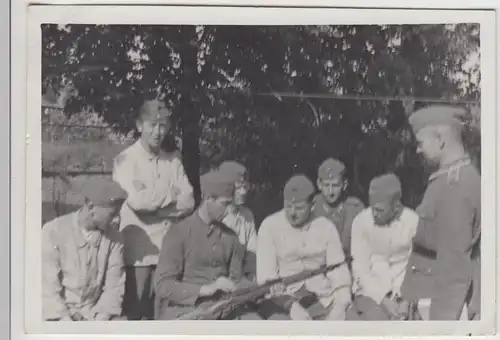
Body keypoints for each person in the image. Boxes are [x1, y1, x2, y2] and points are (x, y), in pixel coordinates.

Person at [112, 99, 195, 320]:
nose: (158, 132)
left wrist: (155, 209)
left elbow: (189, 201)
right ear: (139, 125)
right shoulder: (126, 160)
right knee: (137, 316)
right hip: (139, 253)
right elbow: (137, 202)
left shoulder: (173, 159)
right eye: (152, 125)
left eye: (163, 126)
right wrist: (172, 193)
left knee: (165, 316)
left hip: (168, 253)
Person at [400, 105, 481, 321]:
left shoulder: (455, 185)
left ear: (440, 140)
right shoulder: (447, 178)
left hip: (440, 307)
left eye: (421, 143)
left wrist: (440, 326)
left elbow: (453, 267)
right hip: (427, 296)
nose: (418, 150)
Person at [154, 168, 262, 320]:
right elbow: (163, 286)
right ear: (207, 198)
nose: (228, 211)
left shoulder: (230, 237)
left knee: (258, 326)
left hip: (224, 308)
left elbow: (236, 280)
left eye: (231, 205)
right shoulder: (179, 233)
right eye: (224, 204)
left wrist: (259, 288)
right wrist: (205, 289)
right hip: (186, 310)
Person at [256, 175, 352, 320]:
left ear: (312, 205)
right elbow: (266, 279)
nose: (292, 213)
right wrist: (290, 305)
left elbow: (339, 272)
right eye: (288, 206)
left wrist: (340, 305)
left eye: (299, 208)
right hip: (281, 300)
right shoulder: (270, 226)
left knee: (353, 323)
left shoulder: (325, 227)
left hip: (322, 297)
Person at [42, 177, 127, 321]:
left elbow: (114, 287)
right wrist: (66, 322)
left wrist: (100, 319)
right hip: (60, 314)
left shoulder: (115, 239)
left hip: (94, 313)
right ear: (91, 207)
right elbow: (47, 288)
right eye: (112, 214)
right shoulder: (53, 231)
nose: (117, 220)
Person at [346, 173, 419, 320]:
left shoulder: (413, 221)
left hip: (404, 292)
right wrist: (382, 299)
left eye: (379, 210)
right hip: (370, 292)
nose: (374, 214)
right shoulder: (361, 222)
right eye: (372, 208)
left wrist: (407, 298)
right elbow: (360, 270)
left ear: (396, 206)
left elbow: (416, 265)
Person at [313, 158, 364, 257]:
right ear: (319, 184)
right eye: (326, 185)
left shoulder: (355, 209)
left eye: (335, 185)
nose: (331, 192)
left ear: (344, 185)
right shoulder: (311, 208)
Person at [219, 161, 258, 279]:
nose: (243, 192)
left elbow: (252, 255)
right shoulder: (214, 216)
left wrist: (253, 276)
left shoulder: (247, 216)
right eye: (238, 186)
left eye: (245, 186)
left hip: (240, 281)